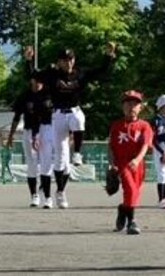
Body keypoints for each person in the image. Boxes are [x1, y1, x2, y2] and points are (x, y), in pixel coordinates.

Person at [26, 42, 117, 209]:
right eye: (64, 60)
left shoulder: (80, 73)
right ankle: (60, 192)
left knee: (79, 119)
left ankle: (77, 153)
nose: (68, 63)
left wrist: (109, 55)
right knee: (60, 158)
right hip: (58, 115)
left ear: (74, 60)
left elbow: (100, 71)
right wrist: (29, 60)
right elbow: (34, 75)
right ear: (59, 62)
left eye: (71, 59)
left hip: (74, 110)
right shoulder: (52, 74)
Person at [109, 90, 153, 235]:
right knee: (131, 190)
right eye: (128, 103)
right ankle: (132, 222)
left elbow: (145, 146)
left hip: (138, 164)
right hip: (123, 163)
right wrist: (112, 164)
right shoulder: (116, 126)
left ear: (140, 108)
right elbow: (111, 147)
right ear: (123, 106)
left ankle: (123, 209)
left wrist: (138, 159)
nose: (131, 106)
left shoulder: (144, 126)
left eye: (135, 103)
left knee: (134, 193)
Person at [6, 69, 48, 207]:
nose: (38, 83)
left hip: (44, 131)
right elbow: (17, 116)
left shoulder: (47, 95)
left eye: (40, 81)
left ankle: (44, 187)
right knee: (31, 164)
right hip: (29, 132)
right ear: (31, 81)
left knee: (46, 162)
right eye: (35, 80)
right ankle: (34, 195)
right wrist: (11, 135)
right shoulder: (25, 96)